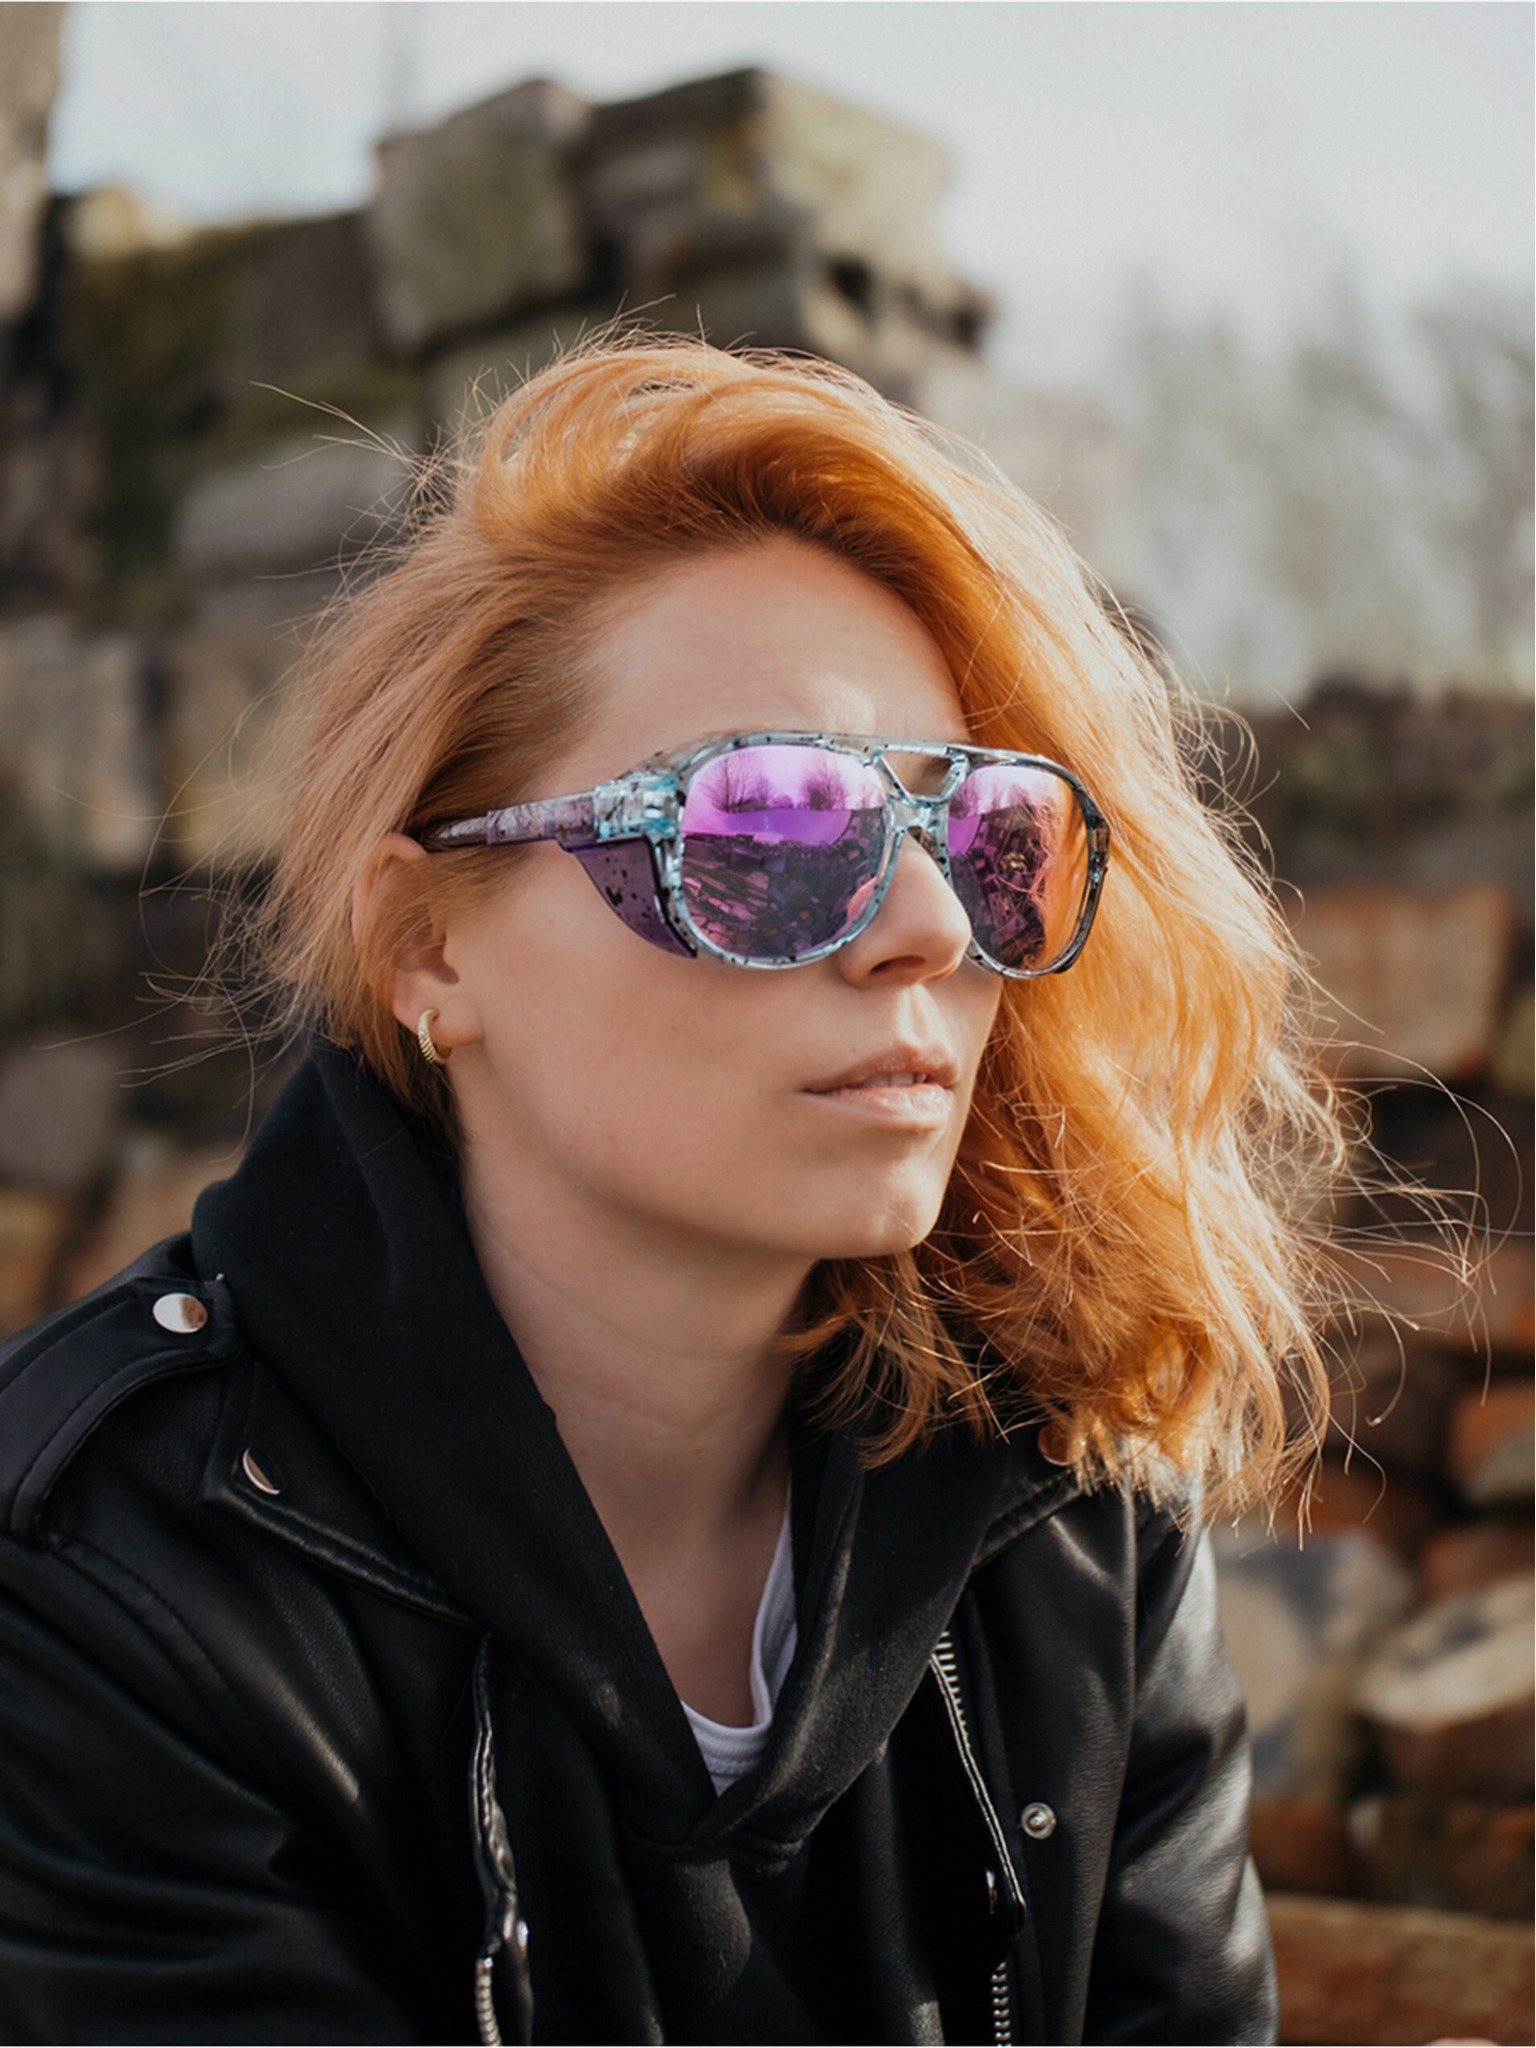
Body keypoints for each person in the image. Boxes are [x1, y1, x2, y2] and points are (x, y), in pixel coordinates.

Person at [0, 330, 1345, 2045]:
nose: (933, 928)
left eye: (988, 834)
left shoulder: (1070, 1507)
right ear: (428, 947)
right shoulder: (102, 1580)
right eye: (766, 831)